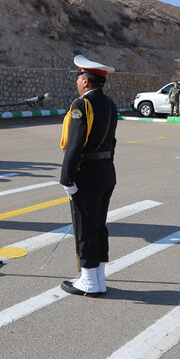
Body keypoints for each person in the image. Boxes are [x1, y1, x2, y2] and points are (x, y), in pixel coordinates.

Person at [60, 55, 118, 297]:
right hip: (106, 171)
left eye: (78, 77)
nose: (77, 81)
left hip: (88, 174)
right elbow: (112, 141)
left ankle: (89, 282)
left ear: (85, 80)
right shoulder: (110, 104)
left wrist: (67, 178)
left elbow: (74, 145)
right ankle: (98, 277)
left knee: (85, 227)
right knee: (99, 226)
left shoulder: (82, 105)